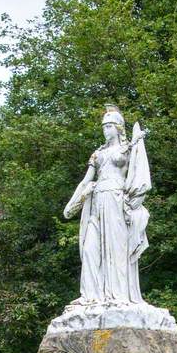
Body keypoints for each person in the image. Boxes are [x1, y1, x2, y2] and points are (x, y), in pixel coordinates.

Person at [63, 106, 151, 304]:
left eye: (109, 126)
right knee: (89, 249)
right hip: (96, 201)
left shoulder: (128, 148)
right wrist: (73, 202)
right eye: (104, 126)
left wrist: (137, 143)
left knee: (117, 248)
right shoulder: (98, 153)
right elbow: (86, 180)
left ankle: (119, 295)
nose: (105, 130)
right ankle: (91, 295)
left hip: (116, 200)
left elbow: (138, 171)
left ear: (118, 127)